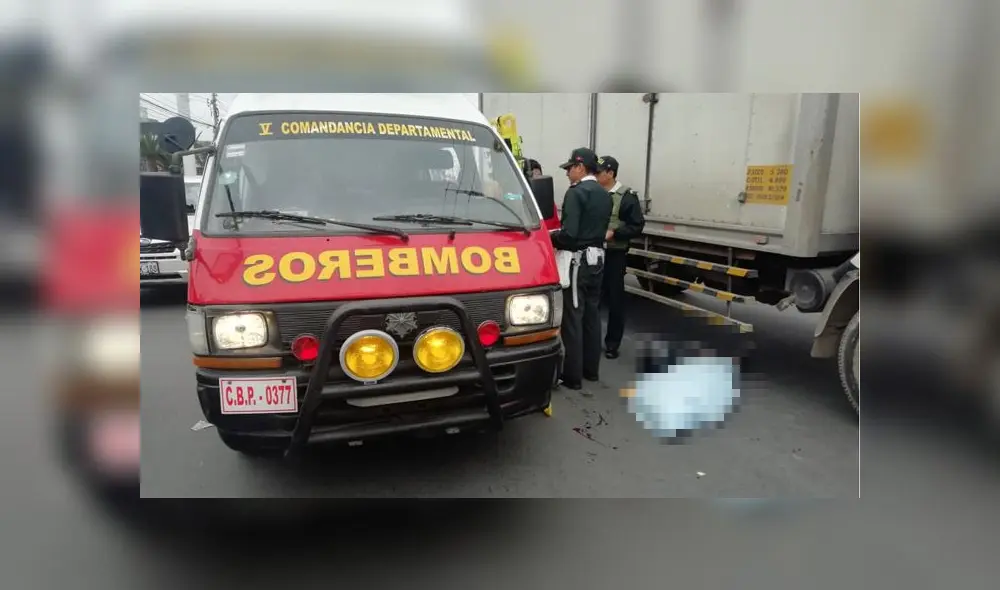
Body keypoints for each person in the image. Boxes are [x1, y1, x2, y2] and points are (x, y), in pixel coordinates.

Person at [550, 147, 613, 389]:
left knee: (573, 317)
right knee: (592, 315)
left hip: (578, 261)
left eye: (569, 168)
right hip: (598, 259)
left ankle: (573, 377)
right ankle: (591, 370)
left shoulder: (576, 193)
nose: (567, 173)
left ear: (580, 167)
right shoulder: (604, 193)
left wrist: (551, 238)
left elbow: (569, 235)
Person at [596, 155, 646, 359]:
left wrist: (615, 233)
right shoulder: (595, 193)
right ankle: (589, 341)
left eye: (599, 172)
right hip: (594, 253)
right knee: (592, 299)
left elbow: (636, 225)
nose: (596, 175)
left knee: (615, 300)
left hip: (615, 254)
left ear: (610, 173)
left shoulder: (626, 196)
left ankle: (612, 344)